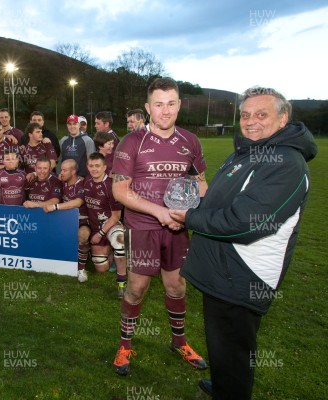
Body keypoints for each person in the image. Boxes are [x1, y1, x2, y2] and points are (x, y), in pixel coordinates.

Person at [169, 87, 317, 399]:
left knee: (234, 350)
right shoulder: (249, 152)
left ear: (283, 118)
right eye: (245, 115)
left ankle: (231, 390)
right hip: (222, 271)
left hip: (242, 276)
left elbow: (245, 222)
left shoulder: (286, 163)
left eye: (261, 115)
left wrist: (189, 218)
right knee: (223, 346)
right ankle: (225, 385)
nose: (250, 122)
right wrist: (192, 198)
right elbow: (219, 198)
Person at [111, 77, 209, 375]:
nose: (165, 111)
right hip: (143, 227)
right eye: (158, 104)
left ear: (179, 104)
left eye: (171, 104)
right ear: (147, 107)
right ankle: (125, 345)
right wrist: (159, 212)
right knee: (137, 288)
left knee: (176, 285)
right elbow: (120, 191)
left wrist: (189, 208)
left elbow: (201, 183)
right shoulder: (131, 142)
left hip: (178, 228)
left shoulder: (190, 141)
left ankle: (179, 341)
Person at [83, 152, 126, 295]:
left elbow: (116, 216)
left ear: (104, 167)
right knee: (101, 269)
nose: (94, 169)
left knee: (119, 241)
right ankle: (111, 253)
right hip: (95, 228)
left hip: (111, 225)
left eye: (97, 166)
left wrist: (100, 234)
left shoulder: (111, 186)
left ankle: (121, 283)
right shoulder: (86, 182)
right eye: (91, 166)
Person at [44, 159, 89, 282]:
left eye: (64, 170)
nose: (61, 172)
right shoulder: (61, 181)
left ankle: (81, 269)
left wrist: (55, 207)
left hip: (82, 219)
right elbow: (45, 175)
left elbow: (78, 202)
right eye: (61, 170)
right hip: (65, 219)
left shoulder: (82, 183)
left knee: (83, 235)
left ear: (73, 171)